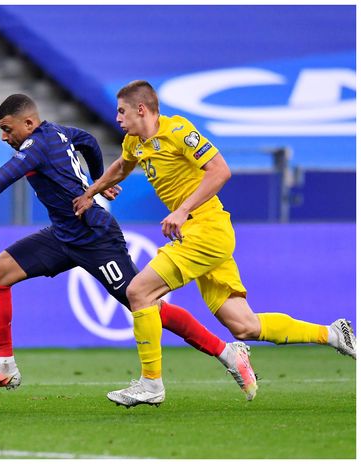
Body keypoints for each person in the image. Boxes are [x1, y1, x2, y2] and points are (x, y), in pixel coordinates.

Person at [0, 94, 256, 399]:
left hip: (95, 237)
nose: (5, 137)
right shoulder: (61, 133)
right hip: (63, 235)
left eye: (8, 129)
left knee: (144, 302)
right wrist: (96, 183)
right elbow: (89, 141)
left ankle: (227, 353)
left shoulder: (35, 146)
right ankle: (4, 366)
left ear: (29, 123)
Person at [72, 80, 357, 407]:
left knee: (139, 292)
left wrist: (181, 210)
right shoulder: (134, 142)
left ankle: (151, 384)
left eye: (122, 111)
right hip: (196, 232)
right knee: (245, 326)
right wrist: (91, 192)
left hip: (205, 227)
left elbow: (220, 170)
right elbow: (122, 166)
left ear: (141, 109)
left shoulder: (179, 131)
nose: (118, 118)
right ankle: (335, 334)